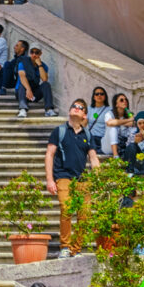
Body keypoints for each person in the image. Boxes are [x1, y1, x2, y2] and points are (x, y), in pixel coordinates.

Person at [42, 103, 98, 250]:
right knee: (66, 208)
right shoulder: (59, 131)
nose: (76, 108)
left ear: (84, 115)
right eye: (74, 106)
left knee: (85, 214)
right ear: (69, 110)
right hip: (63, 176)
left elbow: (93, 158)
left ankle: (76, 248)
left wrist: (97, 179)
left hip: (82, 178)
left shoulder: (87, 134)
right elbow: (49, 154)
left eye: (80, 108)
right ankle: (65, 247)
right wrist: (49, 179)